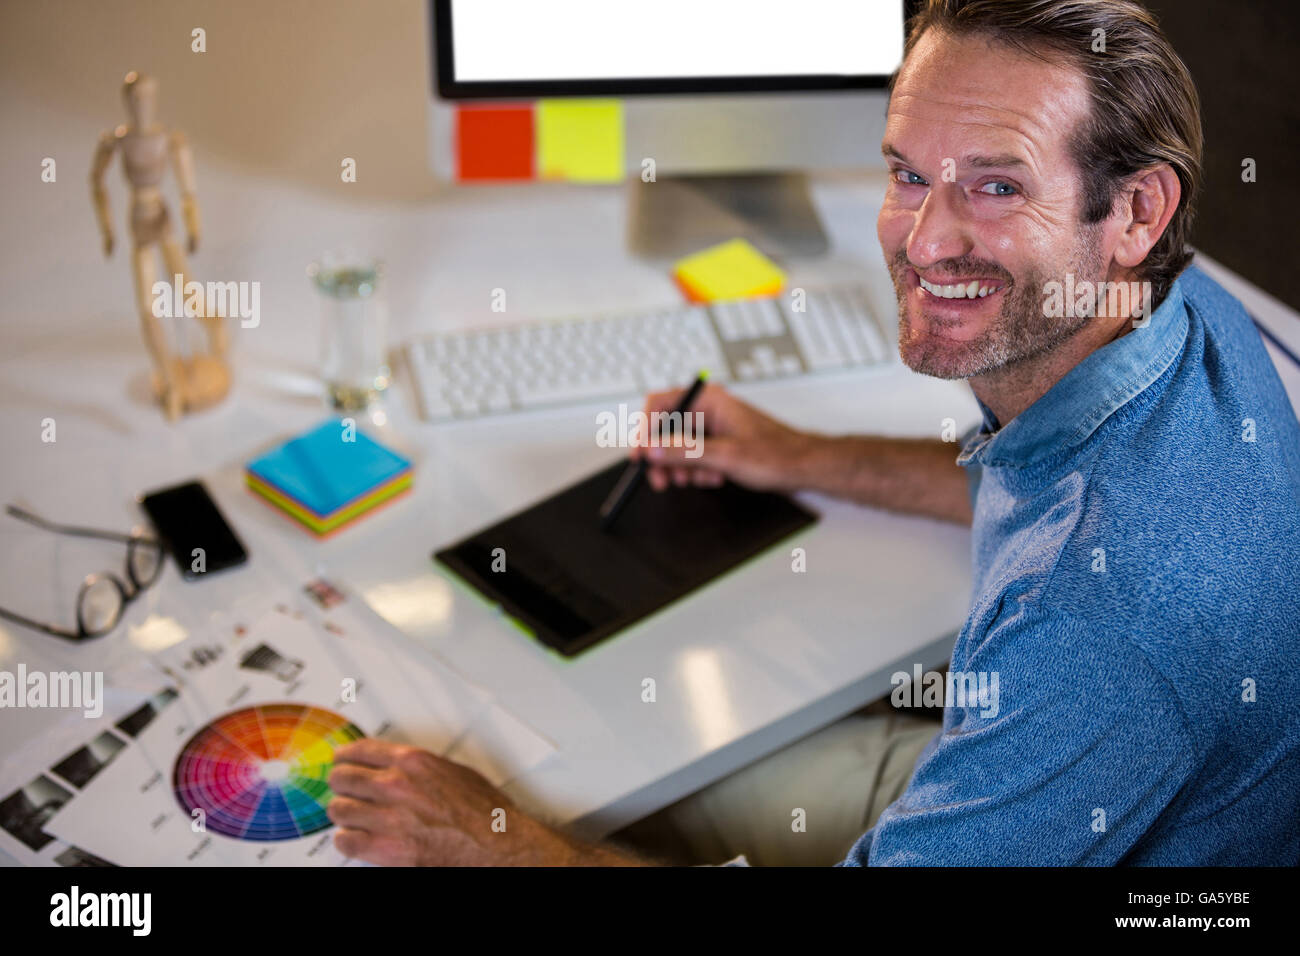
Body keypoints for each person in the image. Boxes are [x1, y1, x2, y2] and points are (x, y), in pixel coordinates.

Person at [326, 0, 1300, 866]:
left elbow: (1096, 583)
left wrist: (485, 843)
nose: (920, 242)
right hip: (1079, 773)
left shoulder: (1100, 627)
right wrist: (797, 456)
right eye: (908, 173)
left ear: (1135, 209)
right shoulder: (1171, 302)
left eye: (995, 187)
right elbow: (1052, 485)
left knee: (607, 777)